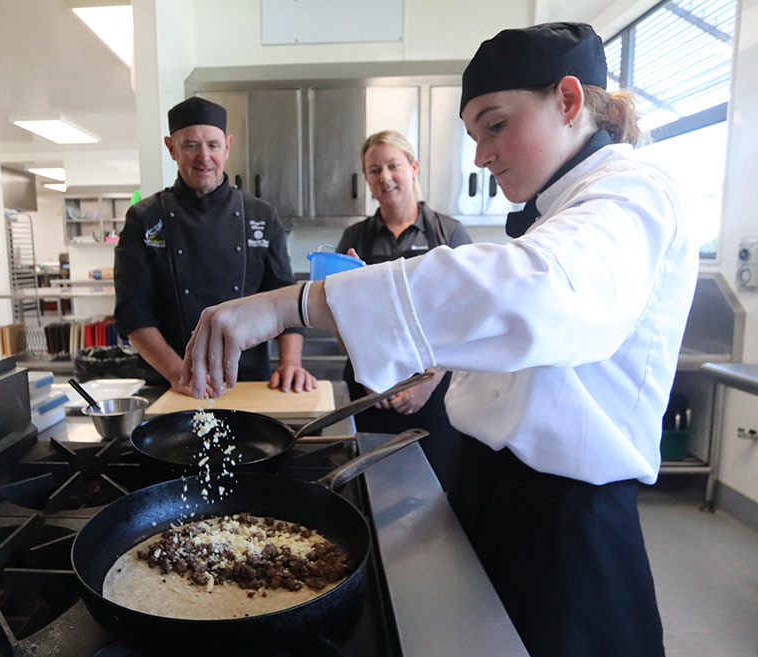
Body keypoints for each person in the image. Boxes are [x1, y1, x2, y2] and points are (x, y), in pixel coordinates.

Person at [180, 22, 698, 657]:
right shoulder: (562, 204)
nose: (481, 155)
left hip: (565, 526)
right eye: (474, 134)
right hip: (493, 487)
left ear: (568, 101)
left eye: (495, 124)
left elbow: (533, 295)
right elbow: (499, 338)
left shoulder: (632, 190)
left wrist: (292, 304)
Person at [114, 96, 315, 396]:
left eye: (213, 145)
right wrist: (179, 374)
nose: (203, 157)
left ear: (228, 146)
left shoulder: (261, 215)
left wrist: (290, 363)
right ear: (171, 148)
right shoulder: (145, 218)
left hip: (247, 383)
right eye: (191, 145)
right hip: (171, 384)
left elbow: (286, 297)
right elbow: (134, 312)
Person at [336, 129, 471, 489]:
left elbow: (466, 319)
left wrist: (427, 383)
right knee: (373, 488)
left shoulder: (450, 234)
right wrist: (369, 378)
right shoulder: (354, 239)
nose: (385, 177)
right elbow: (341, 315)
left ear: (412, 167)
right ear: (366, 179)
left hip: (434, 389)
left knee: (435, 492)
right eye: (374, 170)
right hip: (369, 392)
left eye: (393, 165)